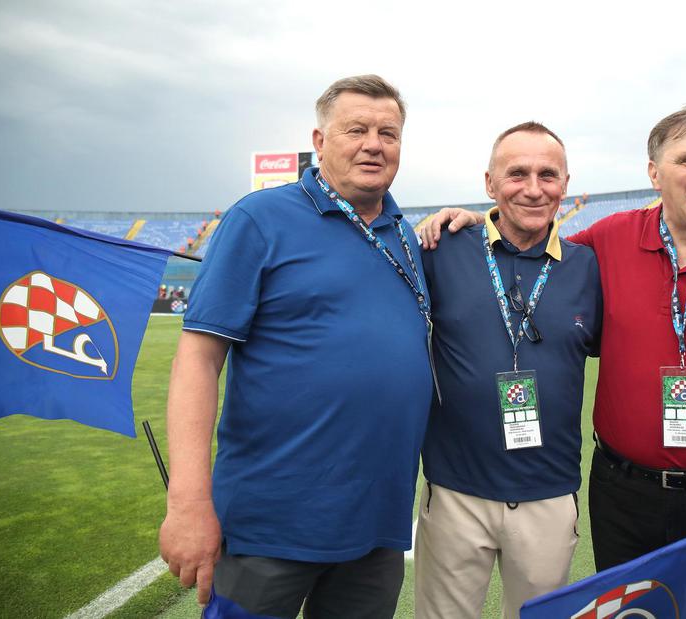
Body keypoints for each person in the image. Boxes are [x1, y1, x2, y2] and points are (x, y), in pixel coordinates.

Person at [423, 104, 686, 618]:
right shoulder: (608, 241)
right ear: (654, 172)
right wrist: (472, 225)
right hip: (623, 496)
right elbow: (524, 245)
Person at [158, 75, 473, 618]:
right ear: (320, 140)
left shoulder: (406, 234)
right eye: (356, 129)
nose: (374, 143)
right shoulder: (258, 219)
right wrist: (187, 502)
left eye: (388, 133)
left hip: (377, 523)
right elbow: (198, 361)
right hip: (271, 524)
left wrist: (474, 219)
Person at [414, 122, 602, 619]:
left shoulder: (589, 266)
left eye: (548, 174)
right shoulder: (443, 248)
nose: (534, 188)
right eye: (517, 173)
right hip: (455, 491)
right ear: (489, 183)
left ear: (566, 184)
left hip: (548, 492)